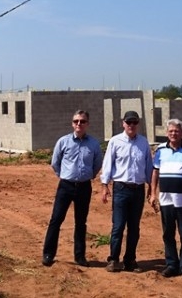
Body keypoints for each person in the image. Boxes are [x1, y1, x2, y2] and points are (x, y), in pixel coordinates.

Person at [42, 110, 103, 267]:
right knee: (56, 219)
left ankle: (80, 256)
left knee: (81, 222)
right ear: (72, 123)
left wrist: (89, 175)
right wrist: (64, 175)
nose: (79, 124)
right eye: (76, 121)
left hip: (84, 187)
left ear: (87, 124)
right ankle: (48, 254)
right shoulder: (63, 141)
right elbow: (55, 162)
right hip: (66, 186)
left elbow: (97, 164)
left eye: (82, 121)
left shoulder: (94, 144)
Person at [100, 110, 153, 273]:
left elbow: (149, 166)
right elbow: (108, 164)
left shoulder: (144, 143)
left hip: (138, 190)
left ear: (138, 124)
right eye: (128, 122)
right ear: (123, 123)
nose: (131, 125)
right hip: (121, 189)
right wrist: (104, 186)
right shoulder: (115, 142)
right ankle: (113, 259)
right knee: (118, 226)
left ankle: (130, 260)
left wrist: (151, 187)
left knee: (134, 227)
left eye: (134, 122)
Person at [149, 119, 182, 283]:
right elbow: (155, 172)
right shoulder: (160, 150)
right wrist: (152, 193)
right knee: (168, 233)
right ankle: (171, 264)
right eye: (171, 131)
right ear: (166, 133)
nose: (173, 134)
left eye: (176, 131)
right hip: (166, 199)